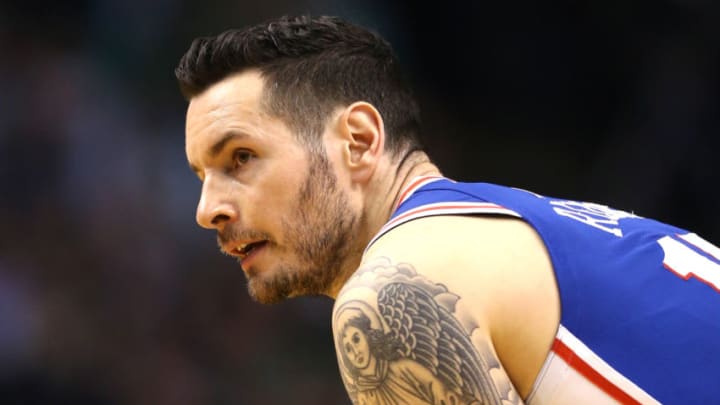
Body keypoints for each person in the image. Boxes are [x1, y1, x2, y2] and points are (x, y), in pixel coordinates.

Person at [175, 15, 720, 404]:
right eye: (202, 176)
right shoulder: (538, 228)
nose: (207, 210)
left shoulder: (395, 288)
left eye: (241, 157)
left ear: (360, 142)